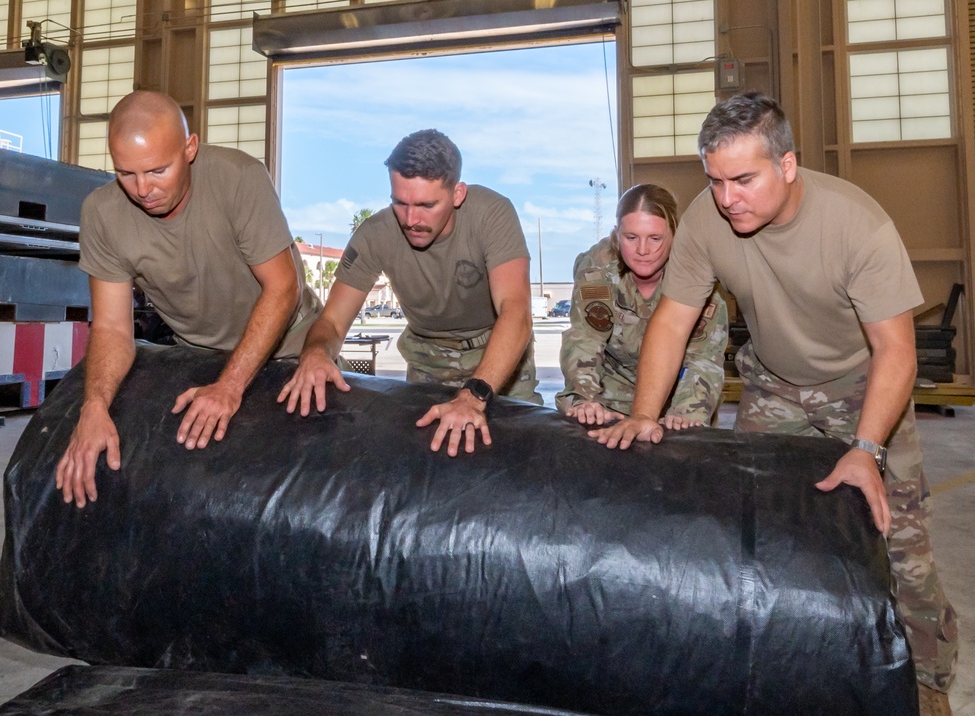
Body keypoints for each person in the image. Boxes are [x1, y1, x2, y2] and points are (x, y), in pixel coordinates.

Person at [590, 92, 957, 712]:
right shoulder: (708, 220)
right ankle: (792, 664)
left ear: (787, 165)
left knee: (899, 542)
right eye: (714, 180)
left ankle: (928, 683)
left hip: (860, 386)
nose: (726, 197)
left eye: (743, 179)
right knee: (764, 534)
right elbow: (673, 323)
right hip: (772, 384)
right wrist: (644, 415)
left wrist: (866, 449)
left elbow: (897, 353)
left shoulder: (857, 225)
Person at [56, 90, 322, 509]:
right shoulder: (102, 214)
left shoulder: (239, 178)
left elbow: (283, 288)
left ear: (190, 148)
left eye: (158, 170)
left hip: (292, 348)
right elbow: (111, 327)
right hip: (201, 357)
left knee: (302, 491)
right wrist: (93, 407)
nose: (143, 189)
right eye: (126, 174)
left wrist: (231, 387)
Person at [278, 129, 540, 457]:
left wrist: (474, 395)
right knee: (425, 458)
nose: (411, 219)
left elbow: (516, 311)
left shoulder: (492, 214)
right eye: (400, 203)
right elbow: (331, 321)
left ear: (458, 194)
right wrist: (315, 353)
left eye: (426, 205)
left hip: (497, 351)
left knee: (521, 451)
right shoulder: (376, 234)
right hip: (427, 355)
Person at [555, 184, 727, 427]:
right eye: (631, 237)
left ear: (675, 234)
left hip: (678, 394)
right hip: (610, 395)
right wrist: (585, 398)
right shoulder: (598, 270)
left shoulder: (699, 275)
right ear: (616, 235)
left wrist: (686, 412)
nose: (643, 250)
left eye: (655, 238)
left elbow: (703, 358)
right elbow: (585, 338)